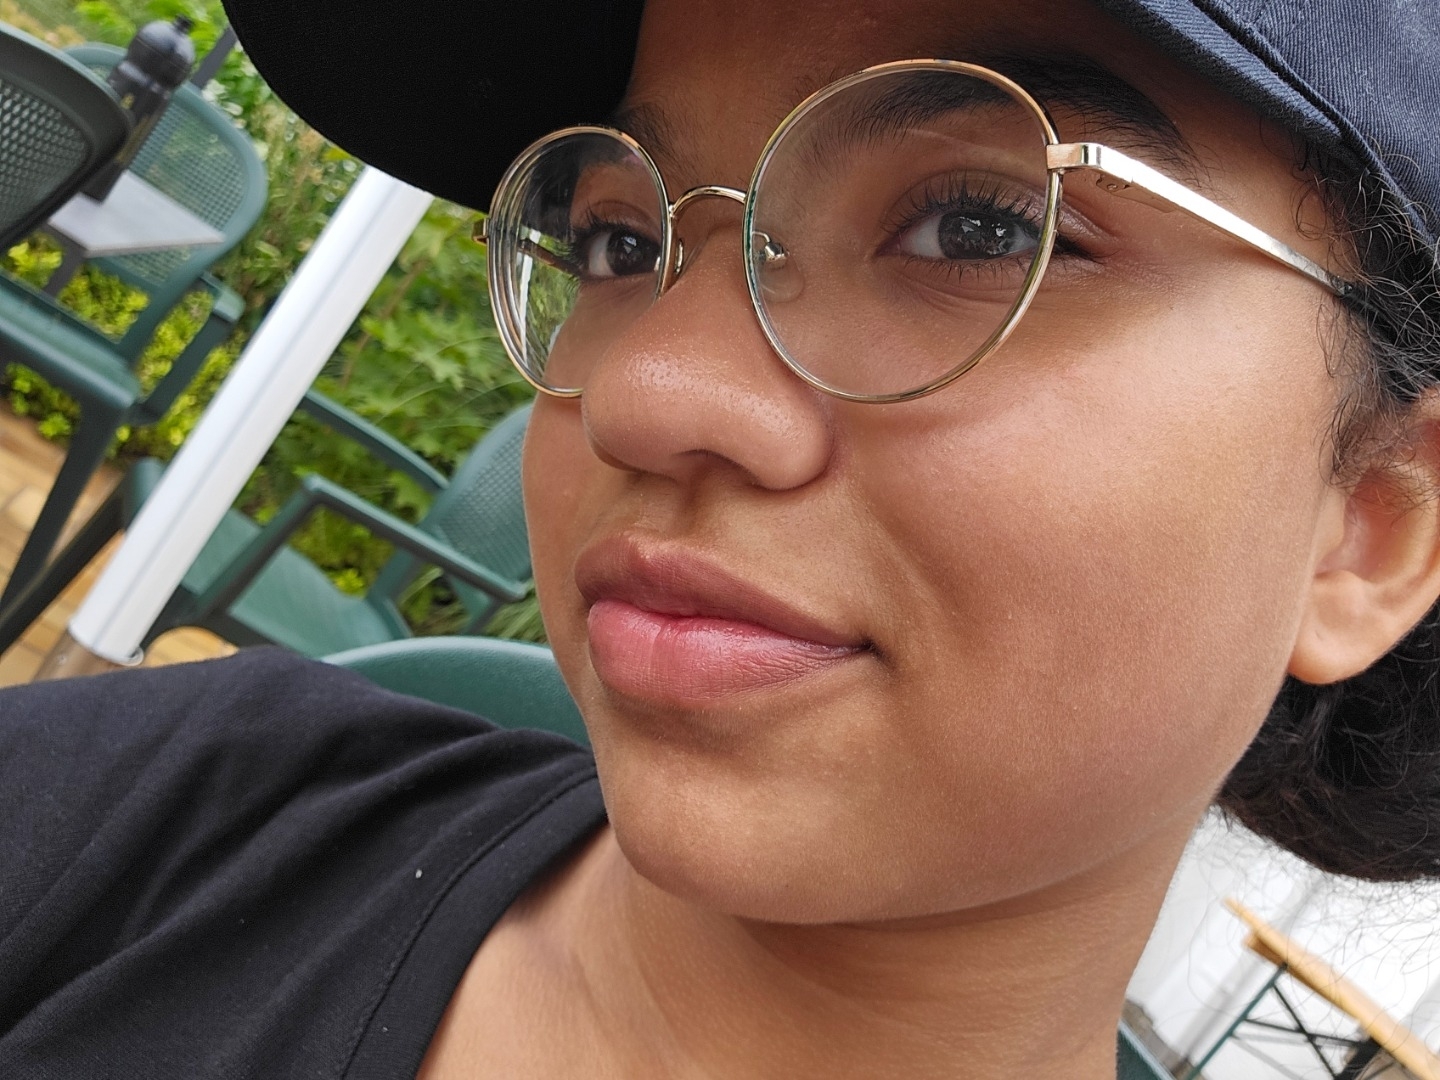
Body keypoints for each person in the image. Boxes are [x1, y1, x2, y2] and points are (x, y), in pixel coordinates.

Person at [2, 0, 1439, 1076]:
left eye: (980, 229)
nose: (641, 390)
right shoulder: (169, 810)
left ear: (1373, 526)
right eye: (620, 244)